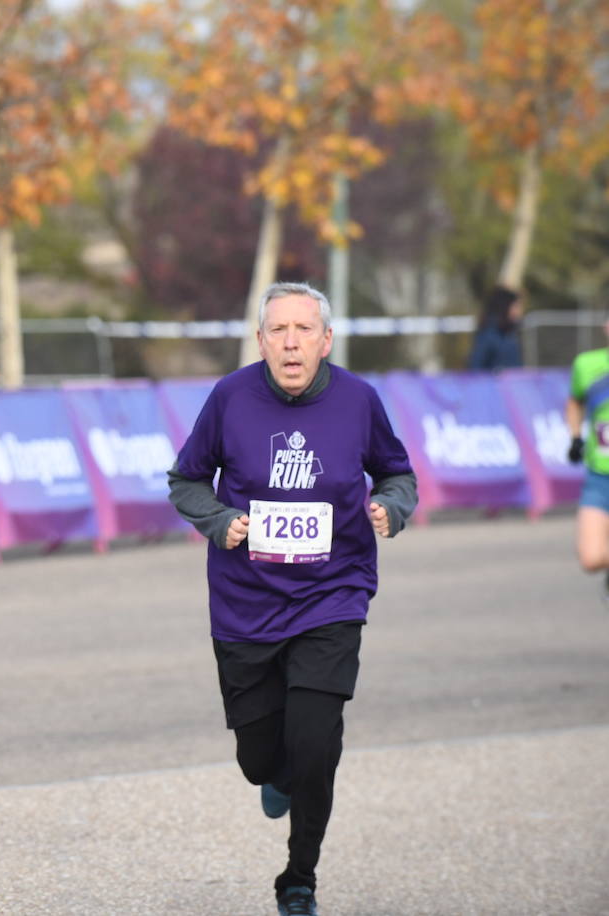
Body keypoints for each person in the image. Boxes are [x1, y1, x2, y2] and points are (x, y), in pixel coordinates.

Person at [167, 281, 417, 916]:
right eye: (278, 330)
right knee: (260, 762)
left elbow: (397, 472)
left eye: (304, 330)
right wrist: (220, 520)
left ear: (326, 341)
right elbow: (186, 479)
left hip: (333, 595)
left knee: (315, 744)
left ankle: (298, 877)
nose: (291, 341)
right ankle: (275, 775)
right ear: (261, 341)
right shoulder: (230, 398)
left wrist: (391, 506)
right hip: (245, 603)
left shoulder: (359, 400)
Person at [564, 312, 609, 597]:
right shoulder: (587, 364)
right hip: (599, 477)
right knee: (591, 559)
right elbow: (575, 402)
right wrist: (576, 437)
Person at [466, 285, 524, 370]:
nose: (519, 311)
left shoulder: (510, 332)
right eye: (515, 306)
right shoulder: (488, 334)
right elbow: (475, 367)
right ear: (505, 306)